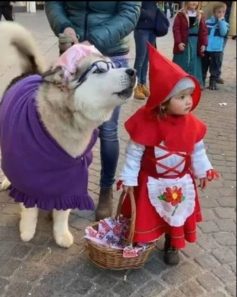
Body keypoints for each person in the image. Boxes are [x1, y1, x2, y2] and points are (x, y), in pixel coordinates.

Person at [118, 44, 219, 266]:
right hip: (150, 180)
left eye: (189, 95)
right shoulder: (146, 122)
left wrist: (203, 171)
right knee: (147, 213)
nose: (188, 101)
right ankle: (142, 238)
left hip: (179, 181)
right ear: (163, 101)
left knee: (175, 213)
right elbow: (134, 153)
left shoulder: (192, 124)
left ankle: (172, 242)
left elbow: (198, 150)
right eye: (181, 97)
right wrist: (128, 178)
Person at [44, 2, 141, 221]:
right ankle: (62, 192)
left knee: (107, 131)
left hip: (110, 56)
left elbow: (129, 13)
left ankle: (105, 192)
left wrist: (94, 41)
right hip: (72, 54)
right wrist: (65, 27)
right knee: (64, 129)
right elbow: (54, 3)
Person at [172, 2, 208, 88]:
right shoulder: (180, 15)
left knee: (194, 62)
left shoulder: (200, 15)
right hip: (184, 42)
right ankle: (179, 82)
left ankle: (195, 83)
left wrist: (204, 43)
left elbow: (204, 31)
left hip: (196, 43)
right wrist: (179, 42)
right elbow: (176, 30)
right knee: (182, 62)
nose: (194, 2)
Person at [202, 3, 229, 90]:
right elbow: (203, 33)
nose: (221, 14)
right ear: (214, 13)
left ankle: (212, 82)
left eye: (223, 12)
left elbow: (223, 32)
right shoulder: (207, 22)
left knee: (215, 66)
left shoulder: (224, 24)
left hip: (217, 49)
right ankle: (201, 81)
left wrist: (221, 21)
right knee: (204, 65)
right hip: (206, 48)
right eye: (219, 12)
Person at [133, 1, 157, 100]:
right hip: (141, 29)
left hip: (152, 29)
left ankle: (143, 83)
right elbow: (135, 9)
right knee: (140, 58)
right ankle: (135, 86)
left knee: (147, 58)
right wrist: (149, 13)